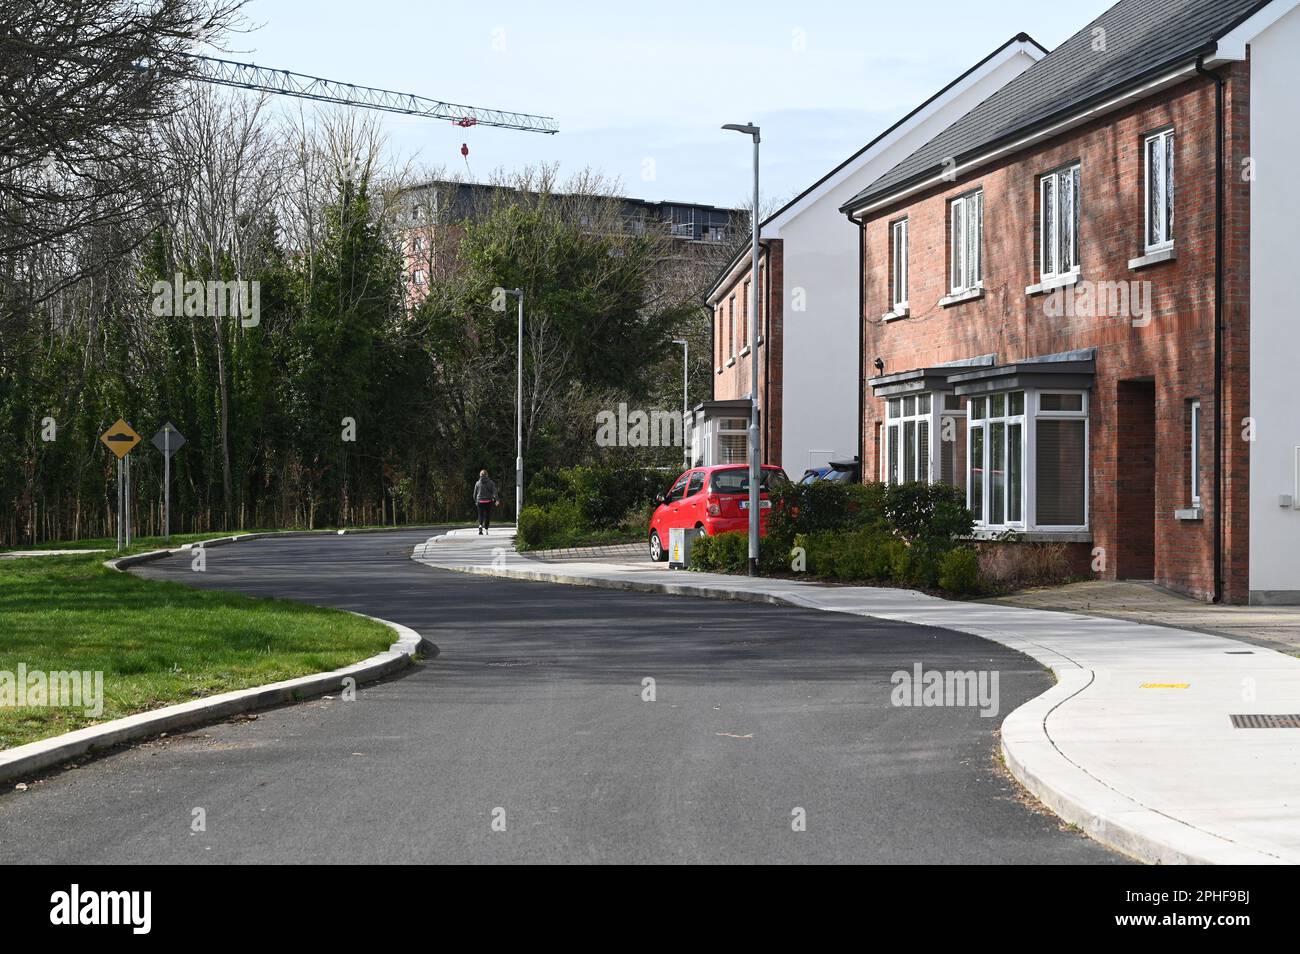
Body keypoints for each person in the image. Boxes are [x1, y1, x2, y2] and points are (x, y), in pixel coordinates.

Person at [473, 469, 499, 535]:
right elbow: (495, 492)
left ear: (480, 475)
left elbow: (474, 494)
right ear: (487, 475)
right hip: (488, 501)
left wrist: (476, 501)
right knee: (487, 515)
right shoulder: (491, 483)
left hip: (480, 501)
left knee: (480, 514)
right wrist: (497, 499)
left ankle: (480, 526)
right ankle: (486, 529)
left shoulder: (477, 483)